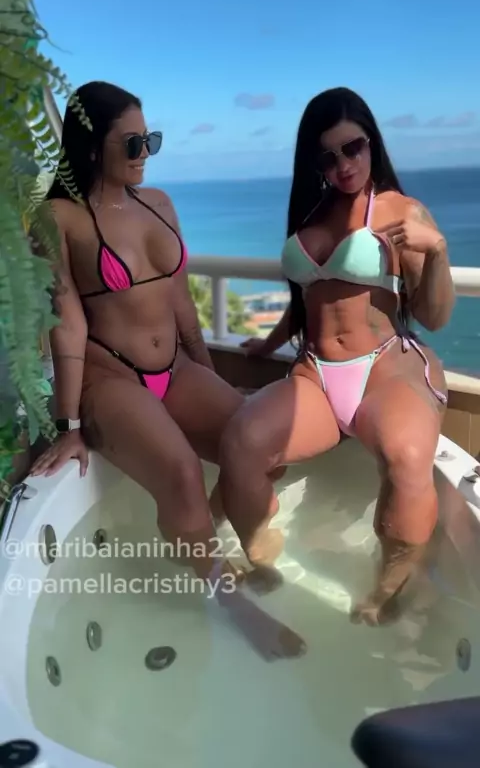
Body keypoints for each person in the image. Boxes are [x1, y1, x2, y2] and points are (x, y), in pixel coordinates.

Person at [30, 80, 305, 660]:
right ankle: (230, 599)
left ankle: (197, 540)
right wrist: (69, 425)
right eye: (133, 143)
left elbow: (181, 302)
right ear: (92, 147)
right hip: (110, 377)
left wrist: (209, 374)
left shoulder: (159, 203)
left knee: (256, 444)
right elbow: (67, 325)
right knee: (181, 472)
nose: (146, 154)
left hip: (175, 369)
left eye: (150, 140)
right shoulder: (59, 218)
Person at [217, 87, 455, 626]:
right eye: (327, 157)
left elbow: (435, 315)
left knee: (407, 457)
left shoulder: (400, 211)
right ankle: (263, 555)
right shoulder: (312, 210)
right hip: (313, 376)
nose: (343, 165)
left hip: (381, 370)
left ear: (372, 143)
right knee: (241, 444)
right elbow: (308, 296)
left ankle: (390, 586)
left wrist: (437, 250)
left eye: (353, 148)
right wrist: (269, 344)